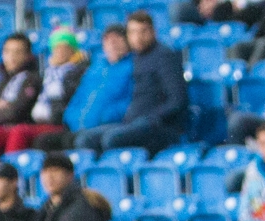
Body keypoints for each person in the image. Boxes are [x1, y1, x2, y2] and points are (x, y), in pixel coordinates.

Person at [76, 12, 188, 154]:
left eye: (143, 31)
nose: (138, 38)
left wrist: (151, 118)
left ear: (153, 32)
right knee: (85, 140)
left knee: (111, 139)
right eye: (133, 32)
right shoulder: (135, 58)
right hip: (131, 123)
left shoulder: (165, 56)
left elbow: (178, 100)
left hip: (159, 126)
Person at [0, 29, 88, 155]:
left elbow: (17, 110)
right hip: (35, 122)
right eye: (56, 48)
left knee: (20, 131)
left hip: (57, 122)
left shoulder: (76, 72)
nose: (59, 52)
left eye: (64, 48)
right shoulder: (48, 72)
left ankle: (12, 168)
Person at [0, 35, 42, 154]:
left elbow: (16, 112)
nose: (12, 57)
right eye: (7, 51)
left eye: (18, 52)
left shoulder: (31, 79)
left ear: (28, 55)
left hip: (14, 127)